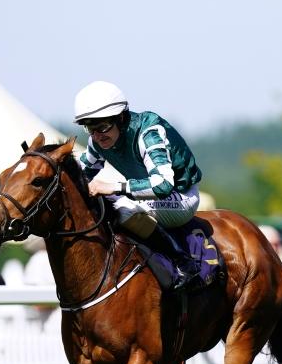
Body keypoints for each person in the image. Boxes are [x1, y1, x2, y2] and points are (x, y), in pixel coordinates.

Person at [73, 81, 202, 290]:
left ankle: (183, 262)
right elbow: (80, 174)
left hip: (181, 196)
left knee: (120, 208)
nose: (97, 136)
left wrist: (115, 187)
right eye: (90, 128)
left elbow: (162, 186)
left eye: (103, 127)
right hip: (150, 197)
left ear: (120, 118)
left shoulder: (148, 132)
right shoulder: (96, 141)